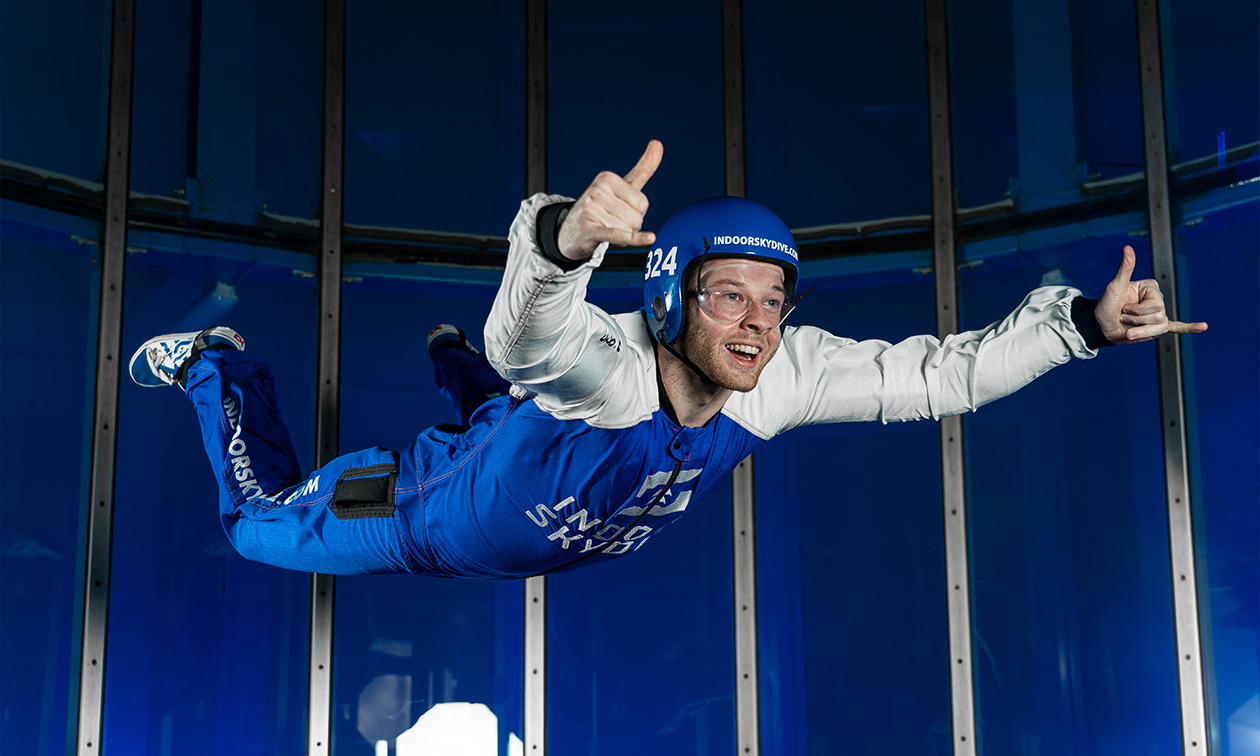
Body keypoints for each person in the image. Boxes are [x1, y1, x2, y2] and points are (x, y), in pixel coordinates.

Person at [128, 140, 1207, 579]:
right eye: (728, 294)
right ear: (664, 295)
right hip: (425, 514)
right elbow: (534, 335)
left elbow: (941, 375)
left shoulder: (777, 380)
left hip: (520, 465)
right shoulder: (609, 366)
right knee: (256, 528)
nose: (755, 324)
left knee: (503, 408)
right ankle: (216, 364)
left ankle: (452, 371)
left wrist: (1078, 326)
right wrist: (561, 239)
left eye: (774, 300)